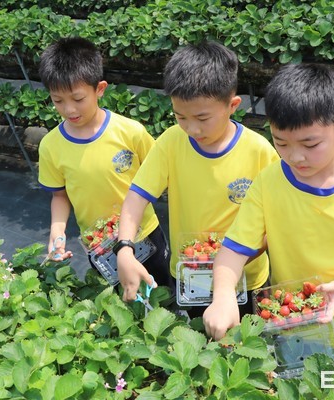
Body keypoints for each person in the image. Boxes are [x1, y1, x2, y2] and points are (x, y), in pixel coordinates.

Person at [202, 63, 334, 375]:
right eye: (281, 142)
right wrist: (223, 296)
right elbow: (235, 248)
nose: (295, 157)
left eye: (310, 144)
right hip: (295, 330)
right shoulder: (268, 182)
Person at [115, 41, 279, 315]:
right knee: (194, 335)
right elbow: (136, 197)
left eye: (203, 118)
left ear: (232, 105)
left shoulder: (259, 151)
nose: (192, 128)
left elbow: (273, 222)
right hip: (189, 271)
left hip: (246, 277)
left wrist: (231, 261)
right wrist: (124, 248)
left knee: (241, 344)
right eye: (180, 117)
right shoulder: (171, 143)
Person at [37, 37, 170, 287]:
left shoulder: (130, 132)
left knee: (162, 289)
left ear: (99, 89)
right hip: (100, 245)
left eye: (78, 99)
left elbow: (158, 178)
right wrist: (57, 231)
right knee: (121, 299)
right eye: (58, 100)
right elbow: (60, 195)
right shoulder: (51, 146)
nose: (68, 109)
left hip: (145, 234)